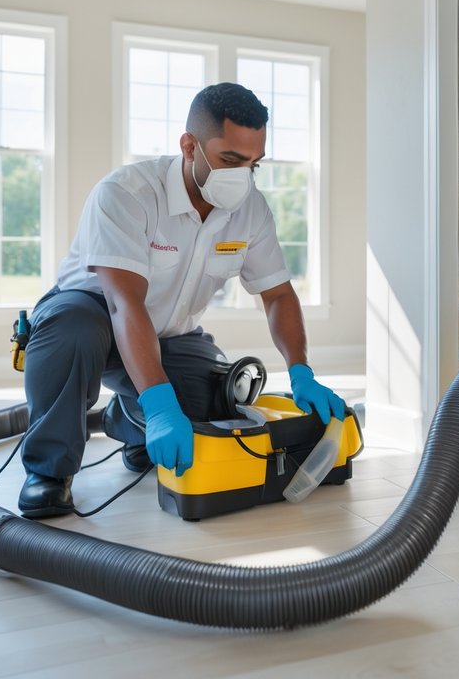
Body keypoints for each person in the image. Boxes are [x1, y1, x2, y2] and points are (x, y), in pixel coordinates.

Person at [17, 82, 346, 518]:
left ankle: (128, 423)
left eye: (254, 164)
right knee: (72, 329)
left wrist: (301, 371)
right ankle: (49, 472)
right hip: (94, 316)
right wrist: (158, 405)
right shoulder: (126, 194)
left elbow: (278, 294)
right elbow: (122, 305)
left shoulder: (250, 210)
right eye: (230, 160)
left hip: (170, 334)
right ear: (189, 146)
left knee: (213, 406)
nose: (242, 176)